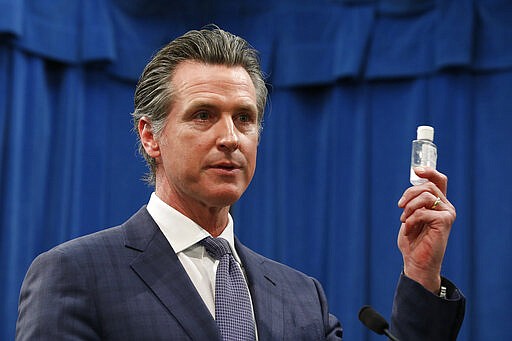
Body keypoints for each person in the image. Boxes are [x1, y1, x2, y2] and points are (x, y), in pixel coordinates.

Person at [16, 27, 465, 340]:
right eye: (203, 115)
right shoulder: (74, 274)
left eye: (244, 119)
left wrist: (420, 274)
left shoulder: (301, 297)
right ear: (150, 135)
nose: (229, 138)